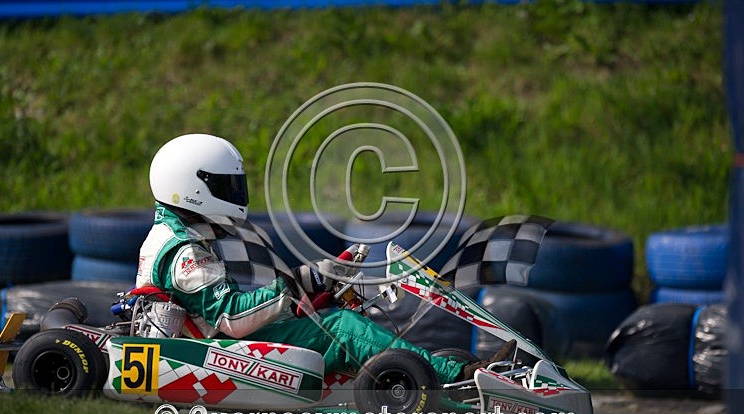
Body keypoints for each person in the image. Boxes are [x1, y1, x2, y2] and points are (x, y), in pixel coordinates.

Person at [135, 133, 508, 385]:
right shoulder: (184, 251)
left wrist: (311, 292)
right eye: (224, 186)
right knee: (342, 327)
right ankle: (457, 379)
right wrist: (302, 282)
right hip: (210, 356)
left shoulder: (179, 238)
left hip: (216, 343)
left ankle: (442, 370)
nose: (234, 195)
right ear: (192, 188)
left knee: (333, 315)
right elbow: (230, 317)